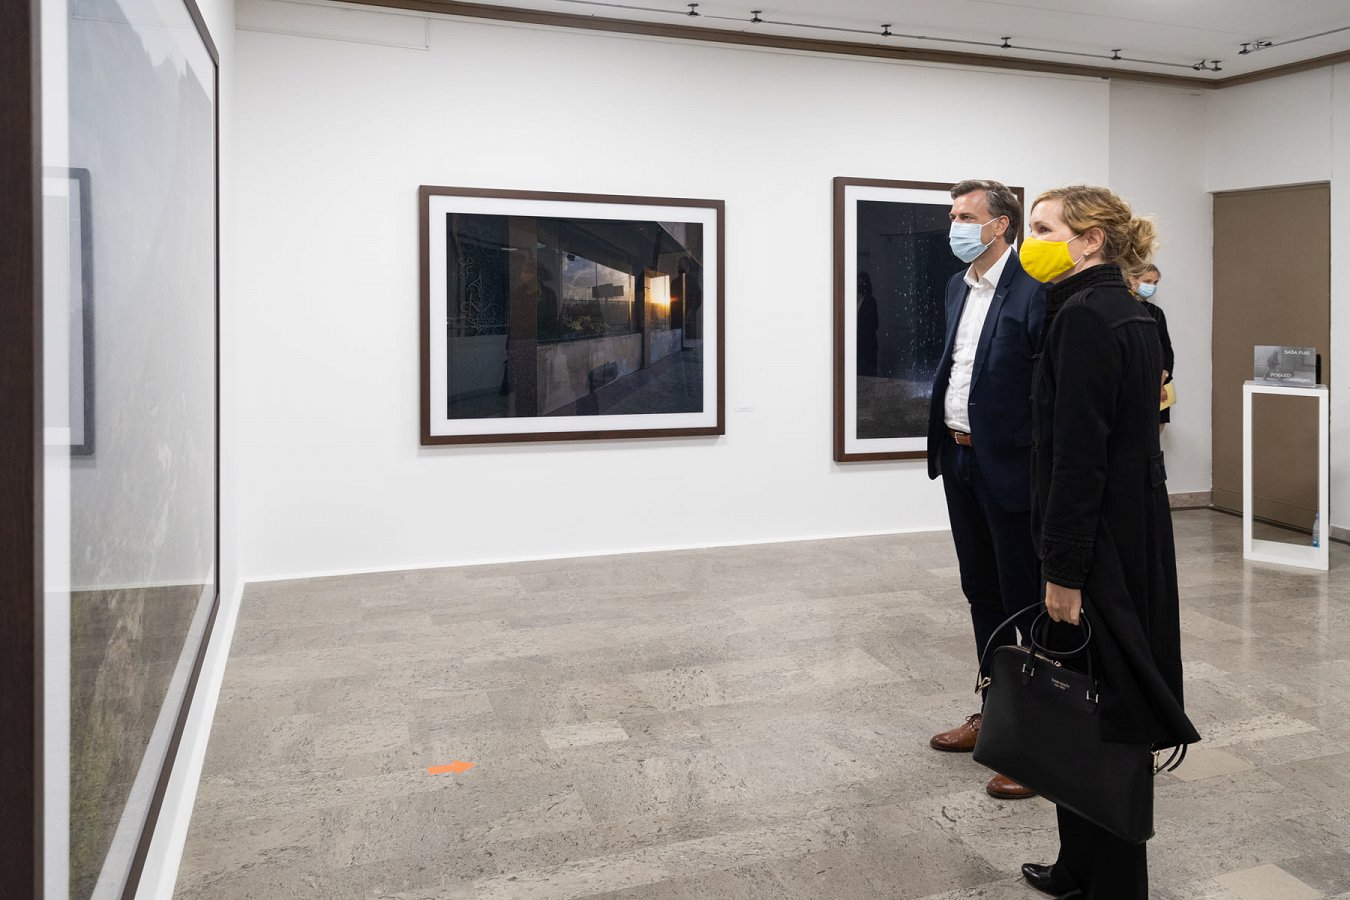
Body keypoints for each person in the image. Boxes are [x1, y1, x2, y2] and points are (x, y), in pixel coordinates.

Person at [1017, 185, 1200, 899]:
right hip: (1127, 531)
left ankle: (1115, 884)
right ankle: (1078, 868)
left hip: (1099, 546)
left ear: (1090, 240)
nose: (1032, 242)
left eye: (1044, 228)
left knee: (1105, 714)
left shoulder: (1088, 318)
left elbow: (1078, 457)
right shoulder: (1126, 310)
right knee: (1085, 706)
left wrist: (1064, 569)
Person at [925, 179, 1045, 800]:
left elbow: (1044, 391)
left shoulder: (1034, 293)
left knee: (1025, 600)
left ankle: (1037, 741)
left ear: (1000, 225)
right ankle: (994, 714)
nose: (955, 227)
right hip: (960, 459)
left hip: (1013, 467)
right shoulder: (958, 286)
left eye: (966, 216)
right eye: (953, 216)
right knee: (981, 592)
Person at [1127, 264, 1174, 433]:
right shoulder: (1122, 309)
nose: (1152, 287)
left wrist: (1161, 380)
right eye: (1147, 281)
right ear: (1132, 280)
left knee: (1156, 432)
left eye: (1155, 283)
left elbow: (1167, 350)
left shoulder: (1157, 313)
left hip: (1159, 384)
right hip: (1133, 385)